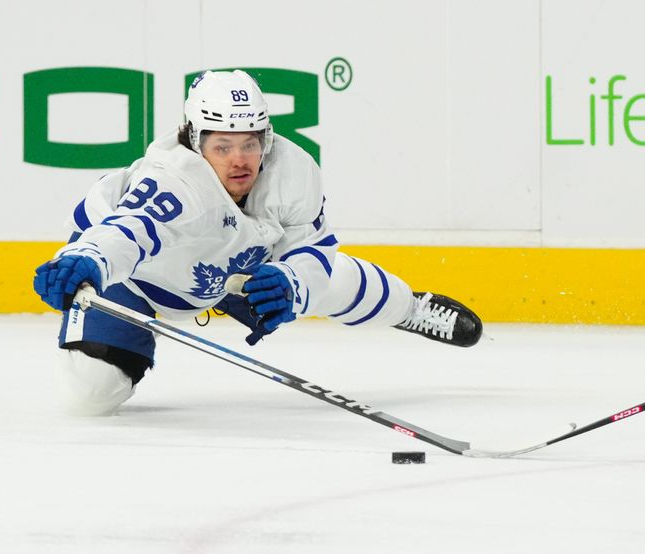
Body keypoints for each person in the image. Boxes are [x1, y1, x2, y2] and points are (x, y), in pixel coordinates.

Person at [33, 69, 482, 416]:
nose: (241, 161)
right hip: (135, 281)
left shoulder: (292, 168)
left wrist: (291, 281)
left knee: (329, 279)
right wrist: (86, 261)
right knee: (87, 396)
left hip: (228, 270)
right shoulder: (172, 181)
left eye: (250, 143)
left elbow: (313, 249)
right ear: (195, 140)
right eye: (223, 146)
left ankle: (411, 309)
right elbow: (127, 234)